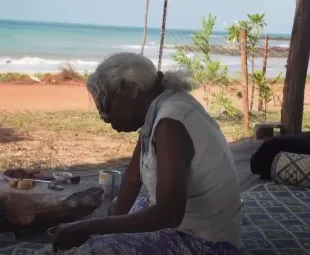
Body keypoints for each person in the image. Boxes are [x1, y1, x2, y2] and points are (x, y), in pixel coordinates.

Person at [52, 52, 243, 254]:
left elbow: (168, 214)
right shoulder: (162, 109)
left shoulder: (170, 122)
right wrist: (105, 227)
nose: (105, 117)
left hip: (209, 244)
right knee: (130, 213)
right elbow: (133, 180)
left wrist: (90, 228)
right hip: (194, 226)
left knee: (93, 251)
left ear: (130, 90)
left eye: (106, 105)